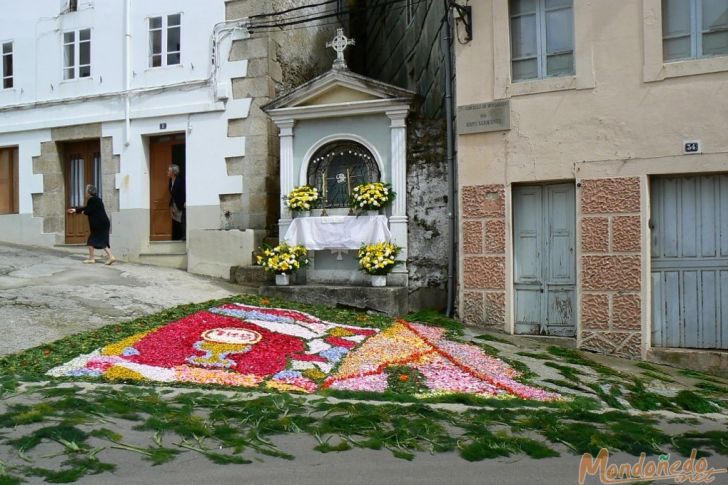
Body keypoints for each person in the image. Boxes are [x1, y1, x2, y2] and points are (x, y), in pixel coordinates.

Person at [66, 184, 116, 265]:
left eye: (86, 190)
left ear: (89, 192)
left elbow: (88, 210)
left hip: (99, 224)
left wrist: (82, 212)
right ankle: (97, 257)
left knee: (91, 241)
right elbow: (88, 208)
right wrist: (75, 210)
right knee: (99, 240)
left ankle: (102, 257)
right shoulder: (96, 199)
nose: (85, 192)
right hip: (103, 223)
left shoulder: (92, 200)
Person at [168, 164, 186, 240]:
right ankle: (177, 237)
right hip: (174, 203)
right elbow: (172, 193)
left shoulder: (180, 180)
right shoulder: (170, 180)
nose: (167, 172)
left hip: (181, 202)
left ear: (173, 172)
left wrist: (185, 201)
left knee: (182, 220)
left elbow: (184, 191)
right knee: (175, 219)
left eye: (169, 170)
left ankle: (184, 236)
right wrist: (171, 204)